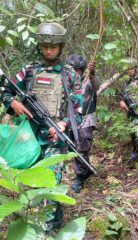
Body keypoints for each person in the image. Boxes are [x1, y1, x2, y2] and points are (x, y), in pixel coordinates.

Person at [0, 21, 83, 230]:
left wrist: (63, 125)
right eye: (45, 46)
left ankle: (44, 229)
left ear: (61, 47)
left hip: (55, 139)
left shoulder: (71, 75)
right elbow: (5, 90)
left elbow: (78, 110)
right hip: (29, 138)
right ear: (39, 46)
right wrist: (14, 103)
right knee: (37, 182)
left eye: (53, 47)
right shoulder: (29, 71)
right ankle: (53, 223)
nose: (48, 50)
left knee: (49, 179)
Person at [65, 54, 100, 193]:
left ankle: (80, 177)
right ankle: (87, 169)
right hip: (71, 120)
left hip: (85, 119)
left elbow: (96, 86)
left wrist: (92, 74)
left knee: (82, 148)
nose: (75, 73)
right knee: (72, 147)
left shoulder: (87, 82)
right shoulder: (66, 81)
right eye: (72, 69)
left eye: (78, 70)